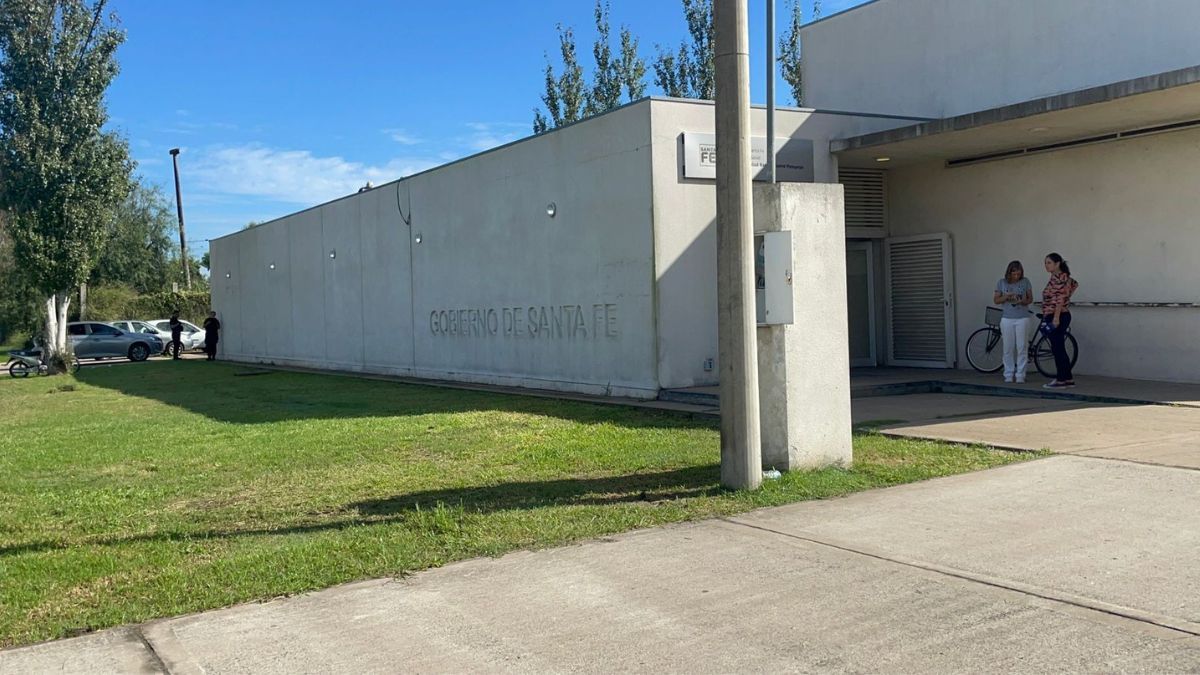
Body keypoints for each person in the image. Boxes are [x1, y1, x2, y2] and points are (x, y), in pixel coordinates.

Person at [1041, 253, 1079, 389]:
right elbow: (1074, 285)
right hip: (1057, 314)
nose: (1046, 265)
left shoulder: (1060, 278)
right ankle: (1067, 378)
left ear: (1057, 264)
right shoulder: (1060, 278)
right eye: (1045, 263)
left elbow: (1060, 299)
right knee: (1059, 348)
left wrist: (1056, 317)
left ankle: (1061, 379)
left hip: (1058, 315)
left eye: (1049, 263)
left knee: (1057, 349)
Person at [993, 260, 1033, 383]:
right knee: (1008, 347)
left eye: (1018, 273)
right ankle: (1009, 374)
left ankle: (1021, 374)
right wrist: (1007, 296)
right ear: (1009, 273)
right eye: (1014, 273)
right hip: (1007, 318)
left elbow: (1030, 299)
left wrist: (1021, 300)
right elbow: (996, 300)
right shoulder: (1001, 282)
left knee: (1022, 347)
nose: (1016, 276)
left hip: (1022, 317)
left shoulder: (1025, 281)